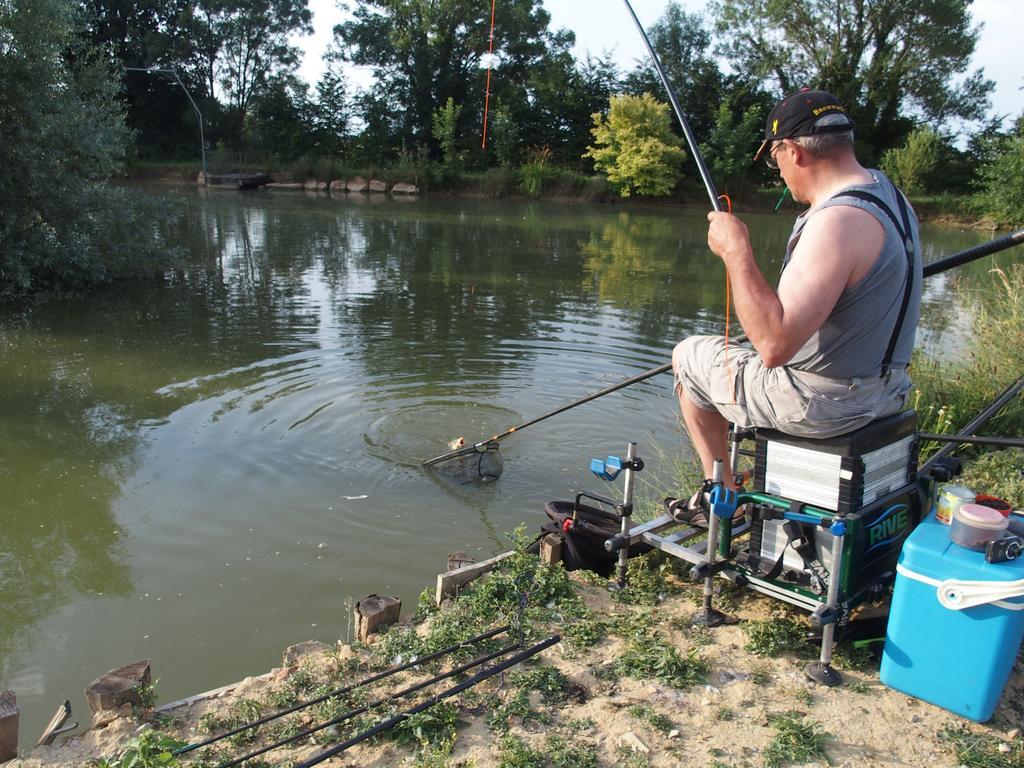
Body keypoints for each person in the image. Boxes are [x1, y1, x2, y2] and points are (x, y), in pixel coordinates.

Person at [670, 88, 922, 514]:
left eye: (775, 159)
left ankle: (722, 493)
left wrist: (737, 251)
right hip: (889, 390)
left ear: (793, 151)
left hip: (825, 403)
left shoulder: (837, 222)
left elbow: (774, 346)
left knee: (688, 355)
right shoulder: (891, 196)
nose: (779, 172)